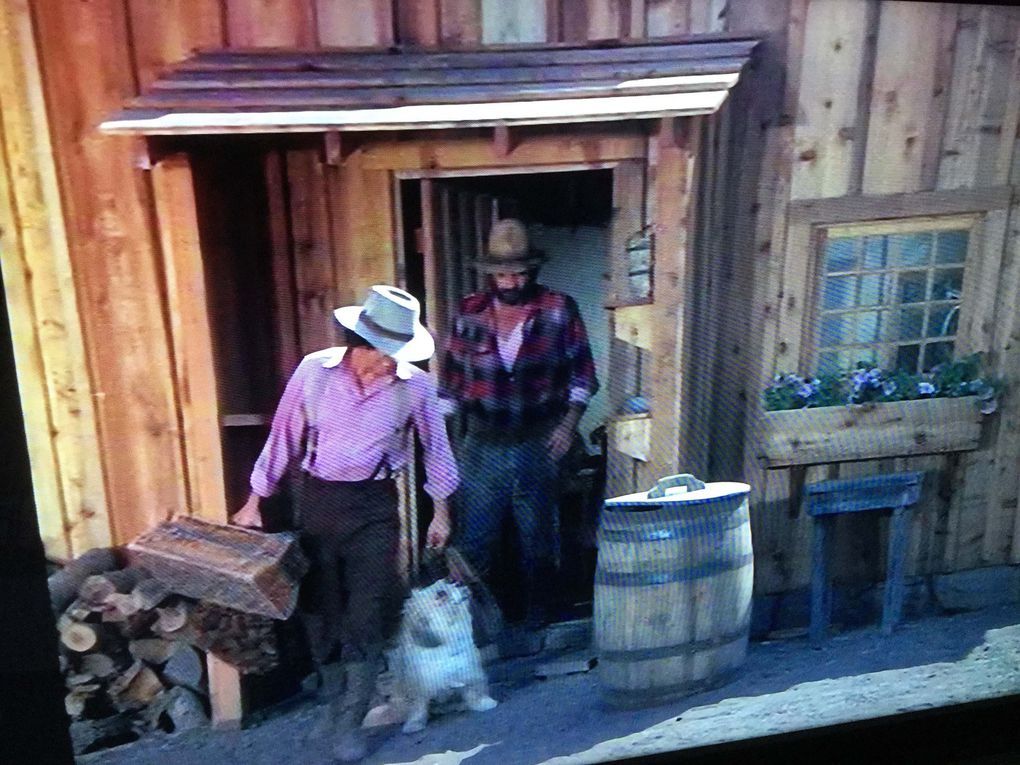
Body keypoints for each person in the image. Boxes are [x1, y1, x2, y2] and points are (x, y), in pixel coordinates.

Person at [232, 285, 458, 762]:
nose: (393, 363)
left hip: (375, 505)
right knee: (320, 609)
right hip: (318, 501)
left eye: (400, 353)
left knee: (367, 610)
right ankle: (334, 705)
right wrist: (255, 501)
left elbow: (436, 449)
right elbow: (282, 436)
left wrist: (441, 511)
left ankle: (352, 720)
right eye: (387, 353)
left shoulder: (415, 386)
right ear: (363, 343)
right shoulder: (315, 373)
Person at [441, 218, 599, 632]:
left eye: (518, 272)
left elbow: (583, 376)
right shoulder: (469, 313)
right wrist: (441, 447)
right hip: (481, 443)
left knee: (539, 540)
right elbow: (451, 384)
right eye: (502, 273)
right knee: (475, 541)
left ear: (532, 271)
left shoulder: (558, 309)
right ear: (490, 274)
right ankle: (473, 633)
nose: (510, 281)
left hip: (538, 440)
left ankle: (539, 627)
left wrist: (567, 427)